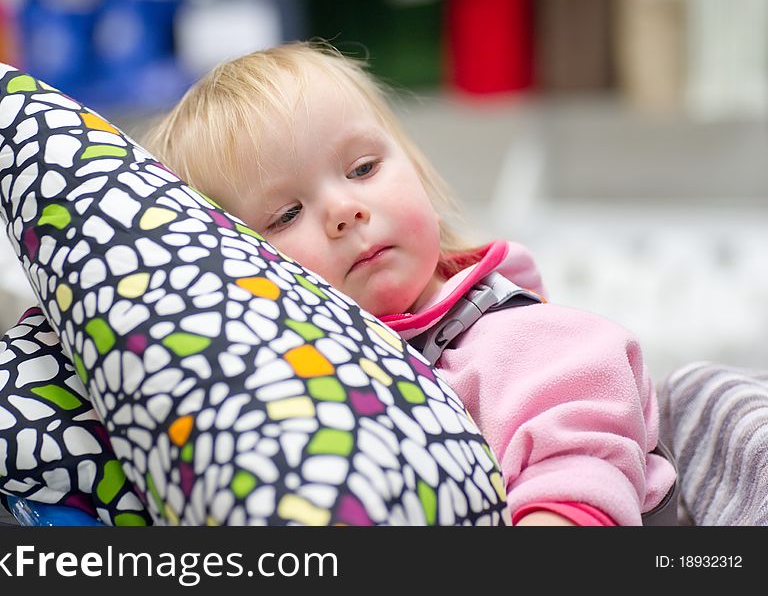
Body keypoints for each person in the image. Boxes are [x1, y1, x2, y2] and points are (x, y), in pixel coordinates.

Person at [144, 41, 677, 526]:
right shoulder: (289, 382)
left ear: (417, 169)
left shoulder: (513, 337)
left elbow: (580, 468)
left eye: (362, 168)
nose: (344, 211)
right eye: (286, 214)